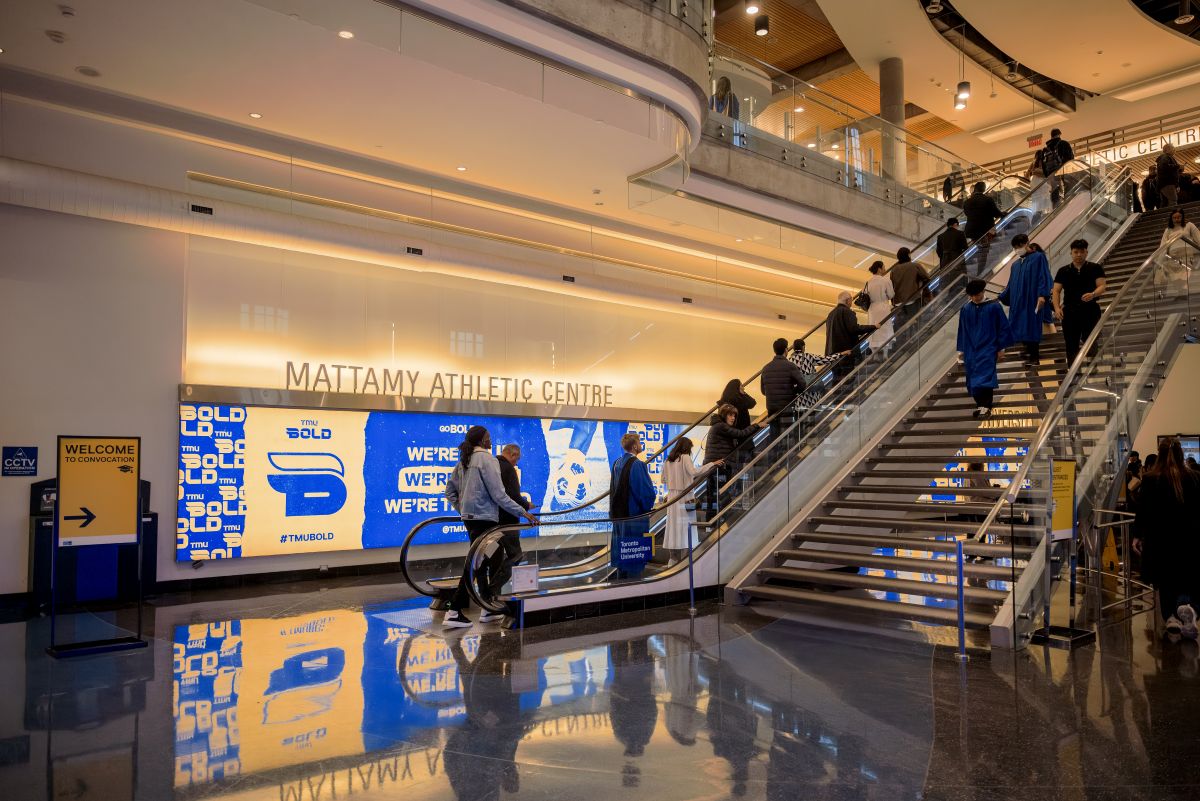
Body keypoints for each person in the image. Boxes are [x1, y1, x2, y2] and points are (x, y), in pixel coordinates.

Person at [444, 426, 538, 628]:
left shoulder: (464, 460)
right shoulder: (487, 460)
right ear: (481, 440)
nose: (491, 440)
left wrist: (463, 508)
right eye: (488, 437)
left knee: (488, 560)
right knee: (475, 564)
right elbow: (499, 495)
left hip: (471, 519)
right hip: (485, 520)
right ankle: (453, 609)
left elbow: (450, 492)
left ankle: (487, 608)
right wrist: (523, 512)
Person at [1132, 438, 1200, 639]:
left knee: (1165, 579)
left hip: (1160, 540)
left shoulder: (1151, 480)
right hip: (1189, 539)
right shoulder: (1195, 478)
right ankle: (1188, 607)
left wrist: (1137, 535)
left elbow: (1143, 511)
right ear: (1182, 455)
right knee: (1187, 576)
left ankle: (1171, 617)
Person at [957, 278, 1014, 418]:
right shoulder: (966, 309)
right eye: (972, 295)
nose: (975, 298)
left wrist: (1001, 348)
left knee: (986, 377)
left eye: (977, 294)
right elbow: (962, 330)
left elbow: (1002, 327)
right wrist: (961, 350)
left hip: (988, 347)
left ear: (983, 291)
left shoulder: (994, 306)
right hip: (971, 349)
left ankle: (986, 406)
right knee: (972, 377)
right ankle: (979, 405)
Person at [998, 233, 1053, 366]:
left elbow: (1043, 276)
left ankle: (1034, 356)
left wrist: (1042, 295)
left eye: (1020, 245)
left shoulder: (1038, 257)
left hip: (1031, 300)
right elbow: (1011, 284)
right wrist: (1002, 296)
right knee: (1017, 324)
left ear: (1027, 243)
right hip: (1017, 301)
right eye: (1015, 247)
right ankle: (1027, 351)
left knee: (1031, 325)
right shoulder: (1015, 265)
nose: (1018, 249)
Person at [610, 432, 657, 579]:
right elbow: (644, 491)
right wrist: (648, 508)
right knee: (634, 553)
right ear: (635, 446)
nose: (641, 444)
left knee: (621, 551)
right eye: (640, 442)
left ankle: (621, 580)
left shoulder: (617, 462)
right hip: (634, 517)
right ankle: (634, 584)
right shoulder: (638, 465)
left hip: (619, 516)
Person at [1052, 238, 1107, 365]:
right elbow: (1056, 291)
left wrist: (1093, 294)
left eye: (1081, 252)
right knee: (1071, 343)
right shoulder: (1063, 271)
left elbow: (1102, 286)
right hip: (1070, 311)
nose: (1078, 254)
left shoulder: (1095, 268)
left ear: (1086, 252)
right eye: (1075, 252)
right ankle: (1072, 372)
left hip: (1090, 309)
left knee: (1091, 340)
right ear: (1071, 253)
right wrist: (1056, 308)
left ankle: (1093, 366)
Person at [661, 437, 715, 565]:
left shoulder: (668, 460)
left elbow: (663, 480)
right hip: (686, 498)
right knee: (687, 527)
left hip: (672, 498)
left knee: (673, 527)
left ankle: (672, 560)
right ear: (686, 447)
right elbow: (694, 472)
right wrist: (711, 464)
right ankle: (685, 562)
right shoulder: (685, 457)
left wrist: (673, 481)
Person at [701, 404, 759, 517]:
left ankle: (712, 522)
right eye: (730, 415)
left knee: (713, 495)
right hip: (719, 466)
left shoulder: (717, 426)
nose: (733, 418)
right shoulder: (721, 426)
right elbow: (741, 434)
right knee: (720, 495)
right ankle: (718, 520)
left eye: (734, 415)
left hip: (716, 466)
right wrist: (757, 425)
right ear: (724, 415)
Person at [491, 443, 533, 597]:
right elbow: (513, 496)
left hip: (492, 521)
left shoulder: (492, 466)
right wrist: (526, 505)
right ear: (513, 455)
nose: (517, 462)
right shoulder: (508, 469)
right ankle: (492, 591)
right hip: (508, 521)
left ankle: (489, 597)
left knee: (494, 558)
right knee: (515, 555)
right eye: (517, 458)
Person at [760, 337, 809, 439]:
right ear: (786, 350)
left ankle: (774, 454)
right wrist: (794, 392)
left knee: (774, 435)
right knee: (788, 436)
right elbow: (802, 384)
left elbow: (763, 391)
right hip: (787, 406)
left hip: (771, 408)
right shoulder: (790, 366)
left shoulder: (765, 368)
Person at [825, 291, 876, 379]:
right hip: (846, 353)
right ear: (848, 300)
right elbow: (854, 329)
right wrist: (873, 326)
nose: (851, 303)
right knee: (849, 380)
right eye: (851, 300)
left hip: (832, 355)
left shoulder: (830, 314)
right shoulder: (847, 312)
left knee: (837, 381)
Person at [962, 182, 1004, 277]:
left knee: (977, 248)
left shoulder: (967, 202)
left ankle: (972, 272)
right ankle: (980, 273)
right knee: (984, 250)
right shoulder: (987, 200)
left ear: (975, 189)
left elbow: (967, 214)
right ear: (984, 189)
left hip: (971, 231)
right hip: (984, 231)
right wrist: (1002, 214)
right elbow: (995, 213)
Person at [789, 338, 844, 407]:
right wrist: (841, 354)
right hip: (812, 393)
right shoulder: (809, 356)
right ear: (803, 347)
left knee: (801, 414)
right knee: (813, 413)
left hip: (799, 396)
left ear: (794, 348)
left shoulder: (790, 360)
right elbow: (826, 359)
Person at [1158, 207, 1200, 296]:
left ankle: (1184, 292)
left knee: (1184, 274)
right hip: (1173, 257)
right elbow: (1163, 245)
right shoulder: (1168, 230)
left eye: (1179, 217)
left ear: (1182, 217)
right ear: (1171, 218)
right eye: (1175, 217)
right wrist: (1160, 259)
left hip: (1186, 254)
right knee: (1175, 277)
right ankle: (1181, 293)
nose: (1177, 219)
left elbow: (1198, 237)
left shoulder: (1189, 225)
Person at [888, 247, 931, 331]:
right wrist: (921, 289)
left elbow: (892, 285)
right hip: (912, 298)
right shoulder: (915, 265)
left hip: (898, 303)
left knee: (904, 325)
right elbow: (927, 278)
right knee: (916, 321)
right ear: (908, 255)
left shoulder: (894, 270)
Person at [864, 260, 895, 350]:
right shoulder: (886, 280)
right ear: (879, 269)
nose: (885, 269)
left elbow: (865, 295)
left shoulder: (868, 282)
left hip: (872, 309)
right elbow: (891, 294)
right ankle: (885, 354)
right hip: (883, 307)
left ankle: (875, 354)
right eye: (883, 267)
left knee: (874, 330)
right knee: (885, 329)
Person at [1041, 128, 1075, 207]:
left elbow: (1043, 165)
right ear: (1059, 134)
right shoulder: (1064, 144)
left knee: (1054, 190)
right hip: (1063, 171)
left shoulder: (1045, 150)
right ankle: (1068, 203)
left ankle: (1055, 208)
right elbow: (1070, 158)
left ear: (1051, 136)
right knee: (1067, 186)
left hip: (1052, 173)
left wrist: (1047, 176)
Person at [1157, 143, 1182, 207]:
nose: (1174, 150)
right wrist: (1177, 166)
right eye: (1173, 148)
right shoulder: (1165, 157)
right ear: (1168, 149)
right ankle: (1173, 214)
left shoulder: (1164, 157)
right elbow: (1164, 166)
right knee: (1173, 200)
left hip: (1165, 183)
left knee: (1166, 202)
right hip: (1168, 183)